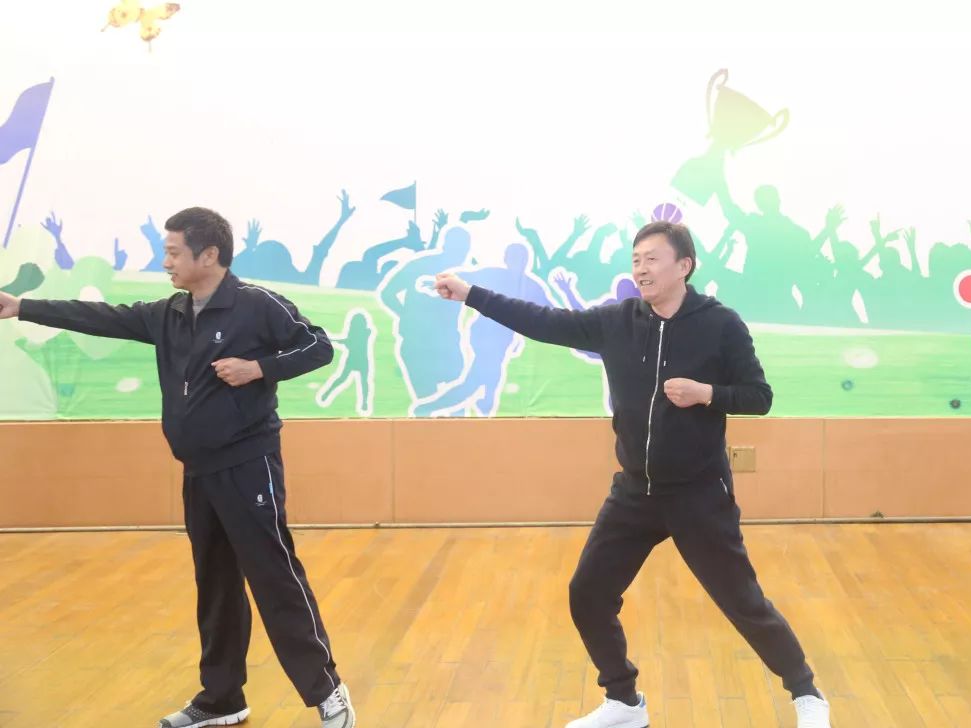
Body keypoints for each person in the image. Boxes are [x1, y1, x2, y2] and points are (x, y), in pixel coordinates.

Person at [434, 220, 831, 728]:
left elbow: (760, 396)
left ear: (684, 266)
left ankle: (806, 693)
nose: (641, 268)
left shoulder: (720, 325)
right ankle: (623, 701)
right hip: (635, 493)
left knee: (742, 601)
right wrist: (471, 294)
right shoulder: (616, 321)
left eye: (652, 259)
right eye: (636, 259)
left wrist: (706, 393)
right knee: (588, 594)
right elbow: (542, 320)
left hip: (698, 495)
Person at [0, 207, 355, 728]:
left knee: (274, 577)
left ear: (208, 255)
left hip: (248, 466)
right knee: (215, 585)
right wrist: (22, 307)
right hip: (199, 471)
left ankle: (328, 692)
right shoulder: (170, 312)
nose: (164, 261)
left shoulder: (256, 305)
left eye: (172, 252)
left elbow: (318, 346)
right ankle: (222, 698)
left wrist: (259, 368)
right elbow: (102, 317)